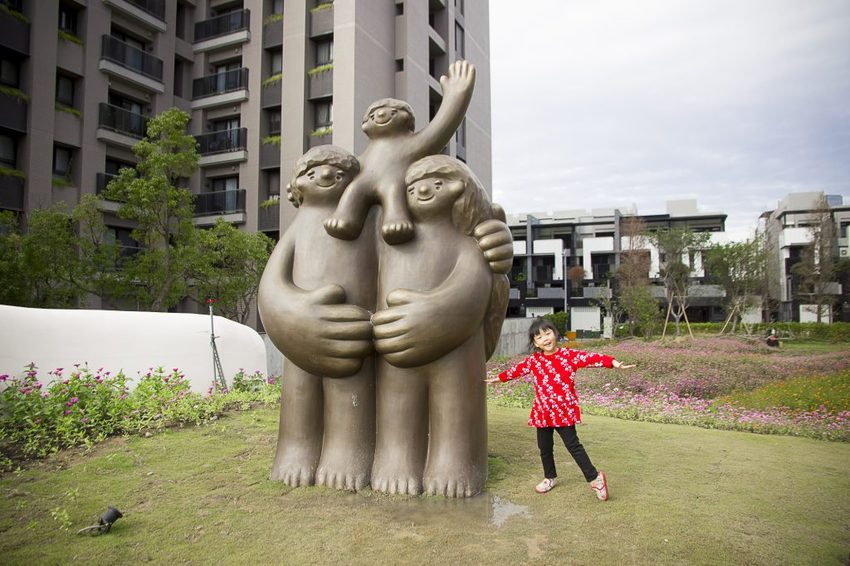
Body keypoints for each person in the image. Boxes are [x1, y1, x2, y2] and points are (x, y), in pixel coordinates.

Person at [485, 318, 635, 500]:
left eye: (547, 333)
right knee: (544, 448)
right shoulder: (534, 361)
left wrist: (614, 363)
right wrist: (498, 378)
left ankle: (595, 479)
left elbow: (592, 358)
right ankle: (550, 477)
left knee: (573, 446)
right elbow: (516, 370)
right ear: (535, 342)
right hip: (543, 412)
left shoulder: (569, 356)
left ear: (555, 334)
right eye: (539, 337)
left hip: (563, 412)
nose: (545, 339)